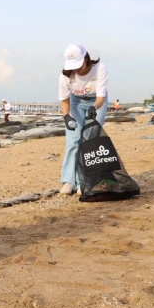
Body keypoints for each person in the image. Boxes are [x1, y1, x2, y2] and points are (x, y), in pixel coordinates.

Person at [58, 44, 108, 196]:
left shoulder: (100, 68)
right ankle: (68, 181)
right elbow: (65, 100)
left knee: (90, 140)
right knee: (73, 140)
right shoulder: (66, 75)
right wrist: (66, 116)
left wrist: (94, 108)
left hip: (96, 102)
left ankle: (85, 180)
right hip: (75, 102)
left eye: (78, 65)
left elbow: (101, 97)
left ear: (86, 58)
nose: (77, 69)